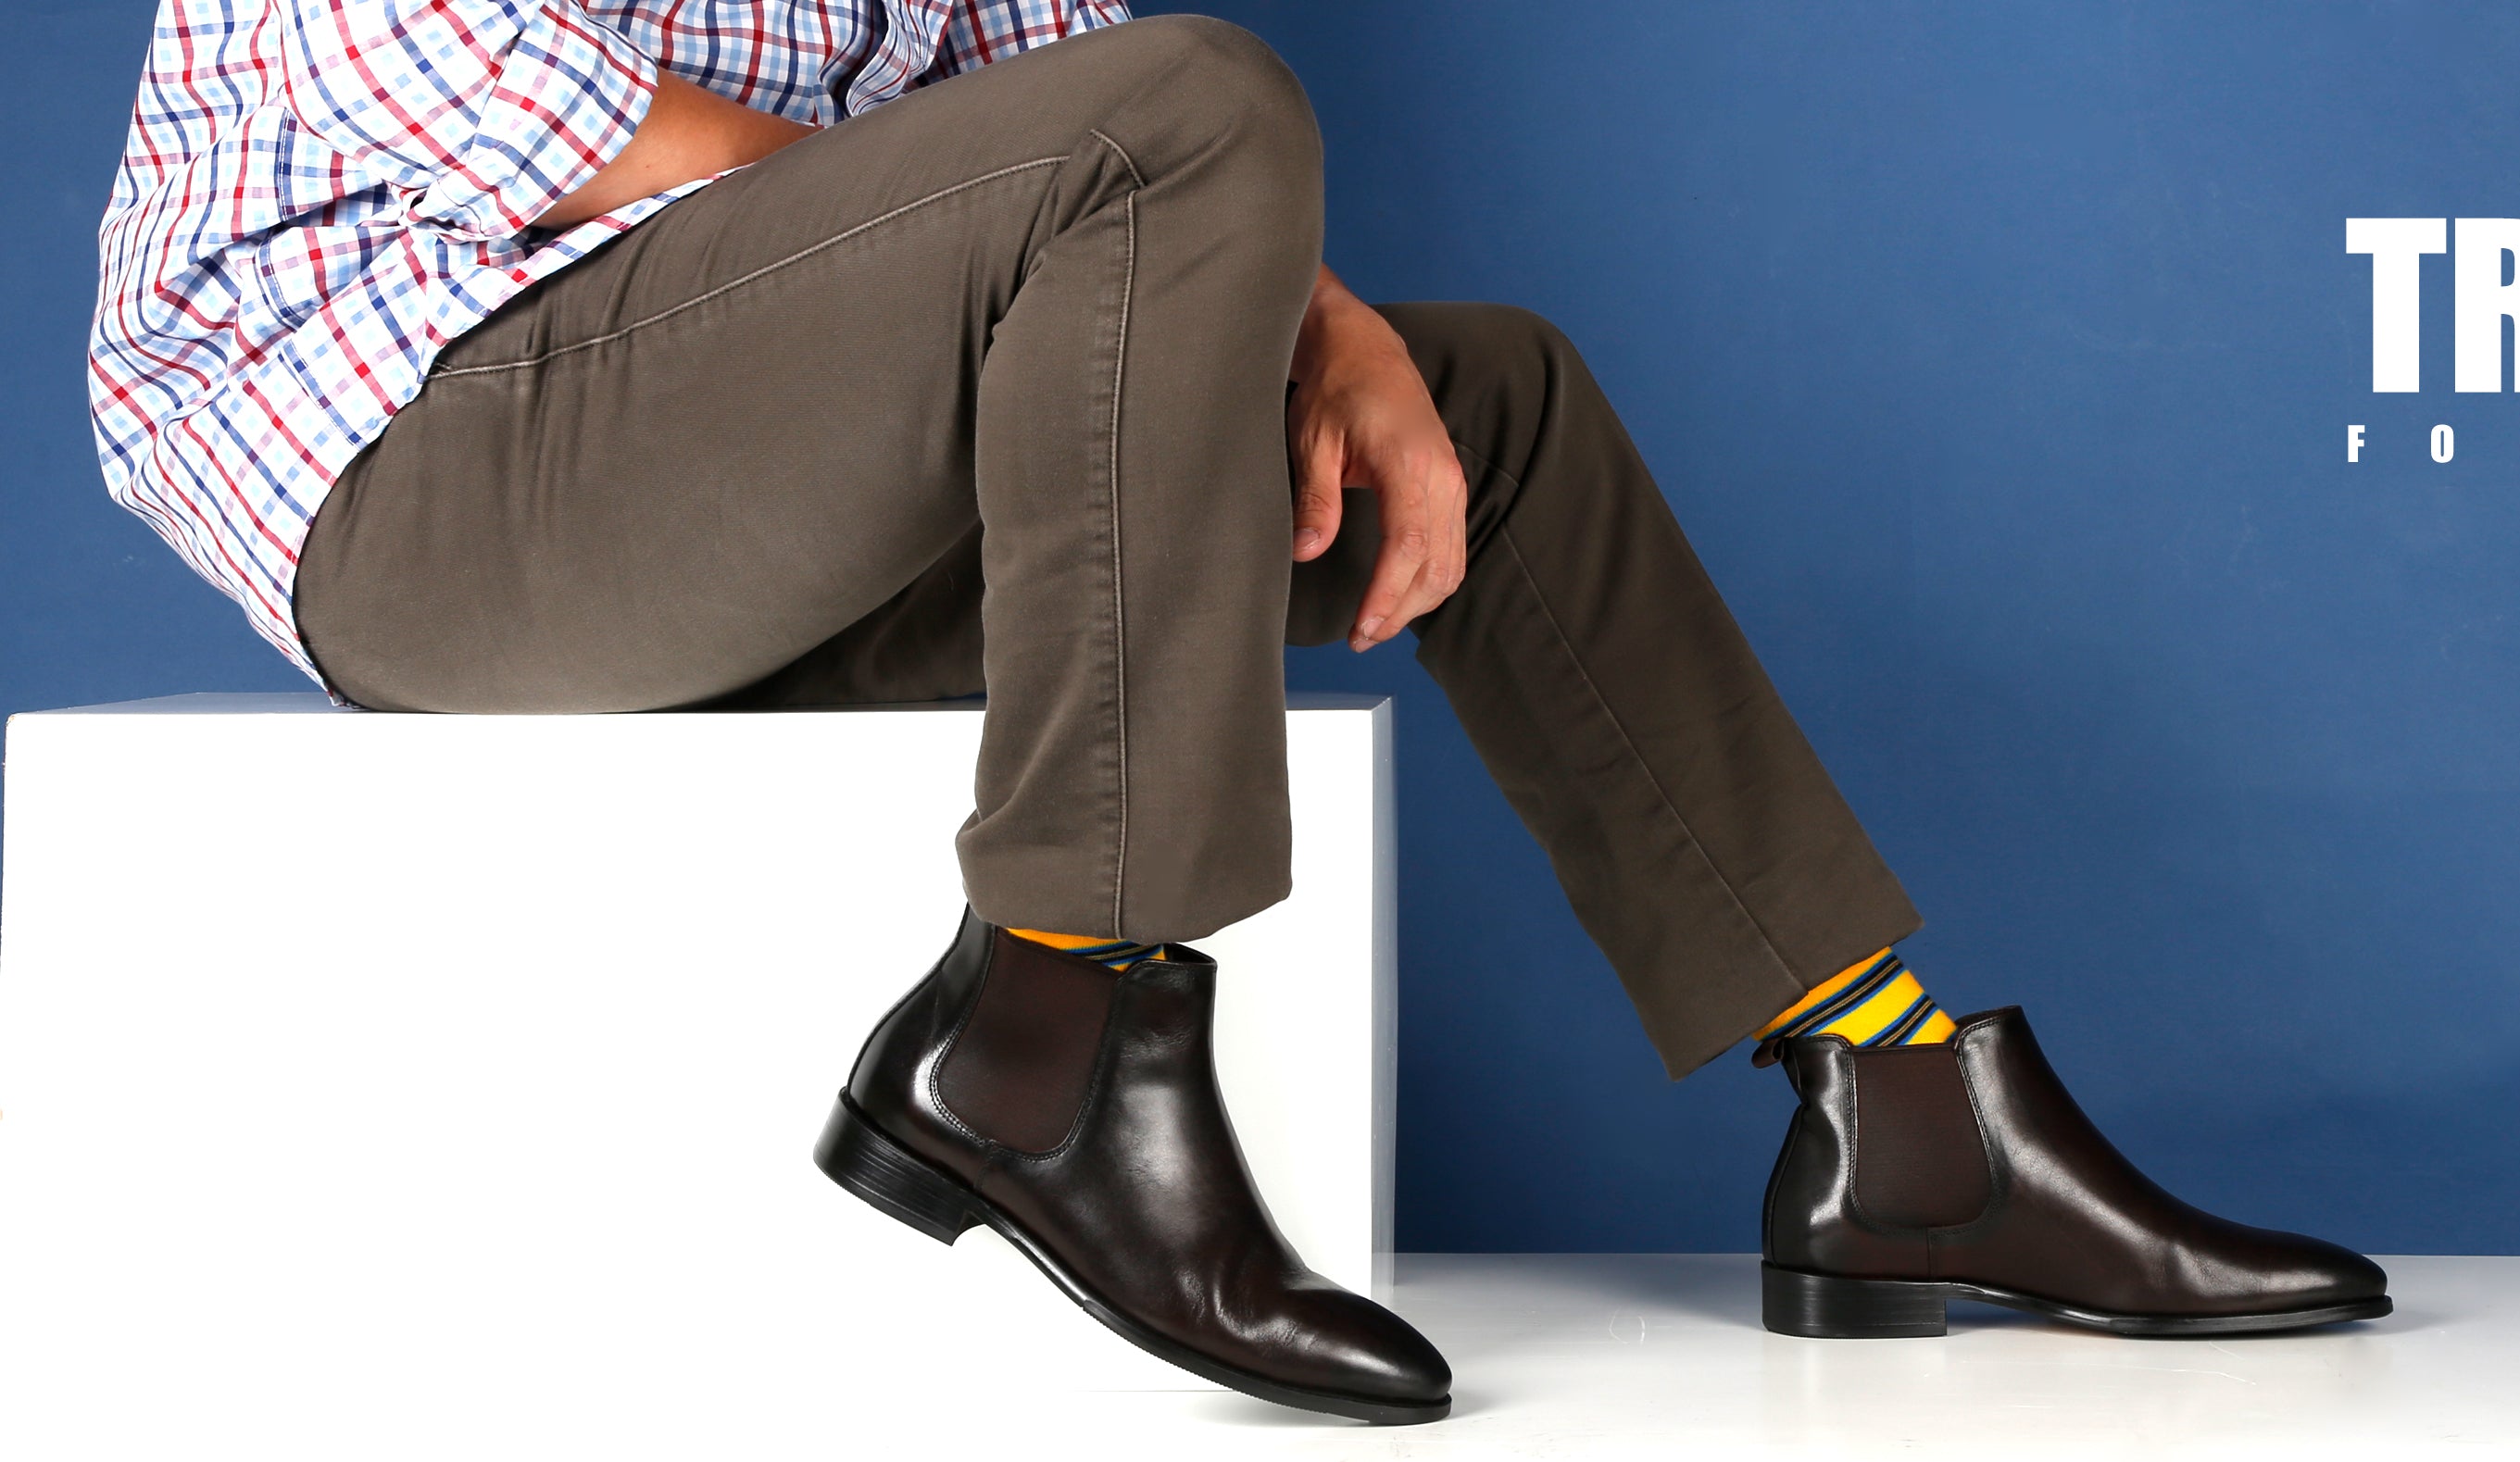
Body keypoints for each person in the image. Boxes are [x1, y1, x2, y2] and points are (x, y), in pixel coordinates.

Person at [93, 1, 2390, 1425]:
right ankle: (1052, 1027)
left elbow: (1054, 115)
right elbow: (561, 110)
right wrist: (1180, 249)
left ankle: (1897, 1121)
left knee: (1476, 404)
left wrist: (1331, 329)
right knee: (1190, 109)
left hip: (758, 474)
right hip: (430, 478)